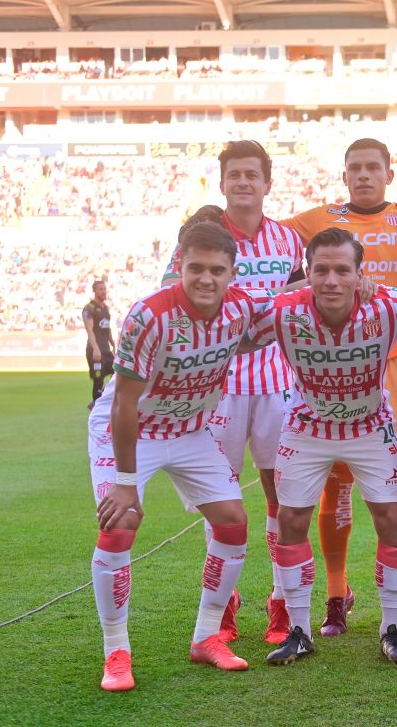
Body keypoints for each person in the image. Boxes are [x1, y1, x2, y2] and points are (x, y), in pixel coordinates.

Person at [90, 221, 269, 692]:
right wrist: (126, 482)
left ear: (233, 272)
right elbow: (125, 402)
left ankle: (207, 637)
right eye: (195, 268)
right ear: (179, 266)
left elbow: (292, 304)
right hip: (130, 430)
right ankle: (116, 651)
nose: (205, 278)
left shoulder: (242, 308)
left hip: (189, 429)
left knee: (233, 520)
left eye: (216, 269)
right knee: (120, 523)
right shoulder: (148, 315)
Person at [242, 228, 397, 666]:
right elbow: (240, 327)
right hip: (307, 427)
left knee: (390, 517)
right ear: (306, 272)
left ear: (359, 274)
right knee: (290, 519)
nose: (331, 280)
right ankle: (299, 630)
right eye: (320, 270)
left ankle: (390, 628)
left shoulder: (385, 303)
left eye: (343, 270)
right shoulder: (284, 311)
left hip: (370, 426)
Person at [282, 138, 397, 632]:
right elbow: (259, 239)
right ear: (344, 174)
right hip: (329, 367)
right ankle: (335, 593)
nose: (365, 175)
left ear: (390, 173)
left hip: (392, 363)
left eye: (374, 167)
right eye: (356, 168)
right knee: (335, 483)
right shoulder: (314, 219)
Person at [162, 141, 305, 645]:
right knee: (219, 498)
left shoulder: (288, 241)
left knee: (280, 497)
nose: (243, 182)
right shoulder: (203, 238)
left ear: (268, 183)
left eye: (252, 174)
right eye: (234, 174)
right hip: (216, 387)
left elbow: (301, 300)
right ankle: (223, 606)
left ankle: (282, 601)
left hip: (276, 384)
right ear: (221, 182)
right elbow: (168, 296)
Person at [82, 280, 115, 408]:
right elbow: (89, 329)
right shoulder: (89, 309)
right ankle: (96, 407)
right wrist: (95, 348)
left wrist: (113, 344)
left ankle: (99, 400)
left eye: (104, 289)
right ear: (94, 291)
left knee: (118, 373)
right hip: (95, 350)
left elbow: (107, 328)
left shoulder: (105, 308)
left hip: (106, 350)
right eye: (100, 289)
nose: (103, 291)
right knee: (98, 379)